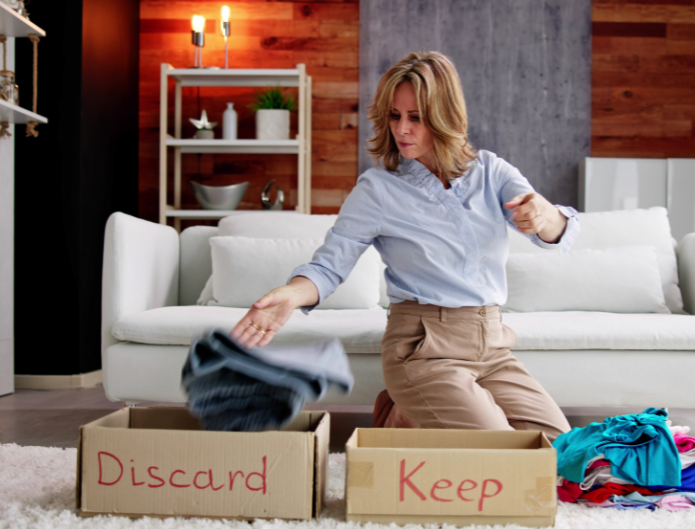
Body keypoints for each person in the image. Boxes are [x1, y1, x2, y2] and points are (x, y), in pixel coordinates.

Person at [231, 51, 579, 441]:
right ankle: (413, 404)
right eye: (394, 116)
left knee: (560, 451)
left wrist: (546, 216)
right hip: (423, 347)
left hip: (492, 346)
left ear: (445, 115)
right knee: (504, 451)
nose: (402, 129)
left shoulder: (492, 172)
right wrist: (292, 294)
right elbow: (330, 265)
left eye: (416, 117)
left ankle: (407, 415)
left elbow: (551, 228)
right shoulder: (378, 189)